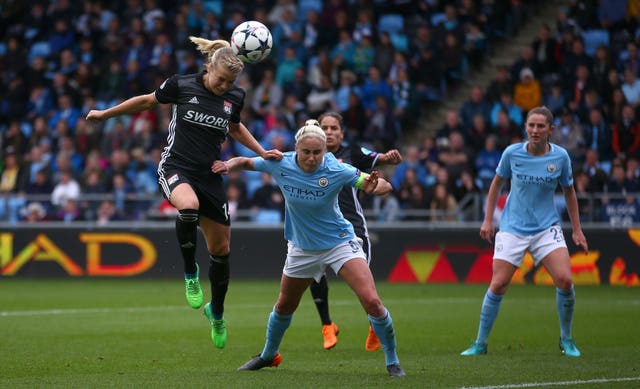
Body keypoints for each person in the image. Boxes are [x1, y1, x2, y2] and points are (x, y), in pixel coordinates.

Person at [86, 36, 283, 349]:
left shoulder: (235, 95)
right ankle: (190, 273)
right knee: (188, 207)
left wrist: (262, 150)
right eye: (220, 80)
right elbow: (146, 101)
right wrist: (105, 114)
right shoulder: (181, 85)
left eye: (229, 82)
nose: (223, 86)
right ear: (208, 69)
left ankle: (216, 312)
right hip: (176, 167)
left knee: (221, 251)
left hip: (209, 175)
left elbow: (234, 127)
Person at [212, 123, 406, 377]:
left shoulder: (336, 168)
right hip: (302, 248)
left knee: (372, 301)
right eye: (307, 152)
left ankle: (392, 361)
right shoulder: (281, 163)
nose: (313, 158)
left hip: (339, 243)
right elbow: (246, 162)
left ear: (325, 151)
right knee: (284, 305)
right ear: (296, 149)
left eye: (318, 152)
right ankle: (269, 354)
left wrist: (374, 184)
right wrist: (228, 165)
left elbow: (381, 187)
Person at [461, 106, 589, 357]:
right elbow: (496, 184)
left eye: (541, 126)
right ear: (526, 127)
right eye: (531, 125)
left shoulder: (561, 157)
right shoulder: (512, 153)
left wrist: (577, 229)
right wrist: (487, 220)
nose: (535, 130)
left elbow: (569, 192)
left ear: (551, 130)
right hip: (512, 228)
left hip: (546, 228)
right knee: (498, 285)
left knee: (565, 280)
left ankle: (567, 339)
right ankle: (480, 343)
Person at [309, 112, 402, 351]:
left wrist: (389, 158)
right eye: (324, 127)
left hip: (350, 226)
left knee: (363, 283)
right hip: (318, 225)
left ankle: (375, 323)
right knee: (313, 274)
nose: (328, 132)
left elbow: (380, 159)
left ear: (342, 133)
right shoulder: (309, 156)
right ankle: (327, 325)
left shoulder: (352, 154)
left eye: (333, 128)